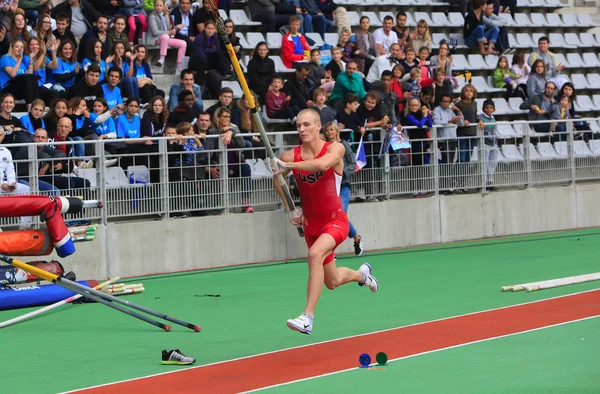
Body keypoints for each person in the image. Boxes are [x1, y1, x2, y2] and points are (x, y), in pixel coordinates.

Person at [272, 108, 378, 335]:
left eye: (307, 124)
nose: (302, 129)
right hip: (311, 226)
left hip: (335, 221)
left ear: (319, 126)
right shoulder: (292, 155)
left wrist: (287, 167)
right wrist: (291, 208)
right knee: (332, 281)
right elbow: (277, 179)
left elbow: (321, 165)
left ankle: (307, 317)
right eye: (299, 125)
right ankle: (362, 276)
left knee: (314, 255)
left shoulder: (335, 148)